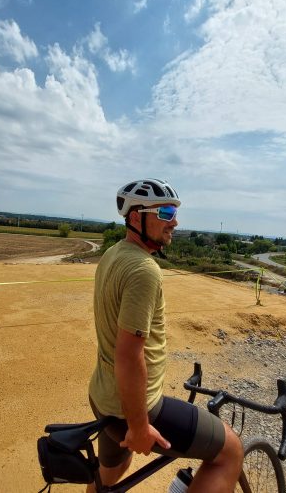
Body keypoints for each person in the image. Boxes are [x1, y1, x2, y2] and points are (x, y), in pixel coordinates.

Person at [87, 179, 243, 492]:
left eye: (174, 211)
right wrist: (139, 425)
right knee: (230, 451)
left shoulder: (113, 254)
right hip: (131, 407)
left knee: (112, 470)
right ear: (135, 218)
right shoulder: (144, 269)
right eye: (166, 212)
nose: (174, 221)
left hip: (102, 397)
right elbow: (129, 355)